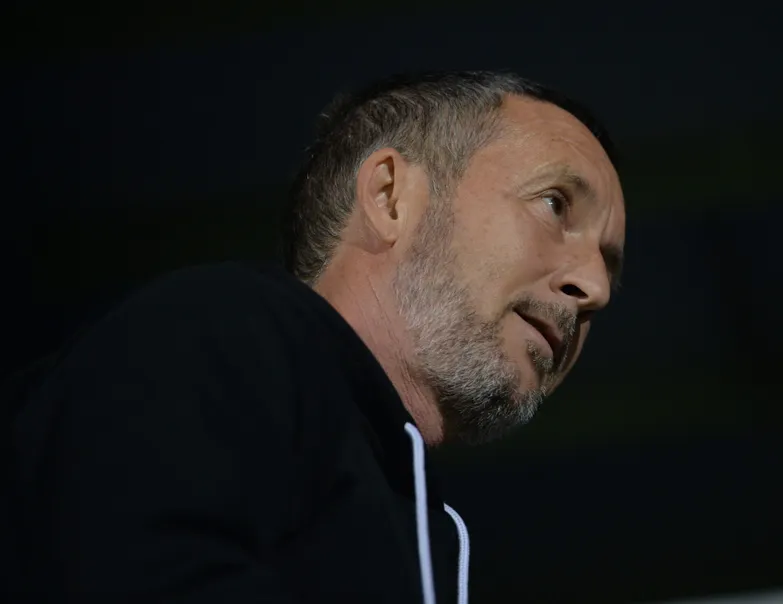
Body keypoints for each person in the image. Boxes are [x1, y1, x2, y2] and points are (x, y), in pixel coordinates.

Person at [2, 70, 626, 603]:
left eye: (609, 266)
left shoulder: (413, 518)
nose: (595, 287)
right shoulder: (222, 332)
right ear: (389, 196)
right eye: (555, 204)